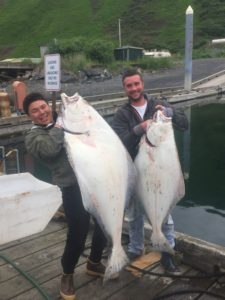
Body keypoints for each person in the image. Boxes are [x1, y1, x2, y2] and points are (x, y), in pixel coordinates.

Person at [23, 92, 107, 300]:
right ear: (29, 116)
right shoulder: (33, 137)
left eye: (43, 107)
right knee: (77, 235)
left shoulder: (64, 122)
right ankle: (67, 274)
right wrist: (60, 127)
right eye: (35, 110)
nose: (42, 112)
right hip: (71, 188)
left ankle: (94, 262)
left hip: (93, 182)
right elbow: (51, 150)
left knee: (104, 226)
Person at [111, 69, 188, 275]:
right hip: (136, 172)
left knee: (166, 218)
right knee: (134, 215)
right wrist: (139, 128)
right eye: (129, 85)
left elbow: (184, 124)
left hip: (162, 169)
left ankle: (167, 253)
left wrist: (170, 113)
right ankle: (136, 250)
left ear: (142, 84)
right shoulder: (122, 114)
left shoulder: (159, 105)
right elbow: (118, 142)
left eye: (136, 84)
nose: (134, 88)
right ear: (125, 88)